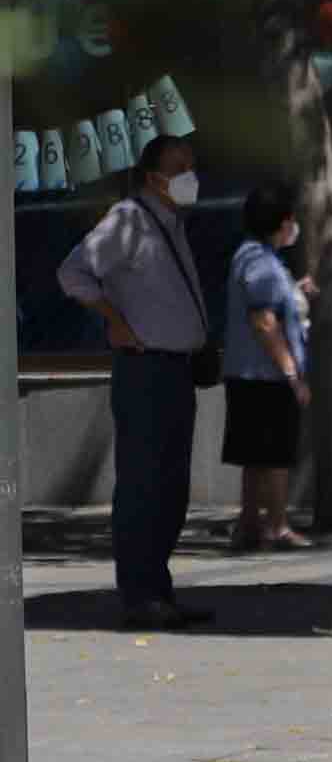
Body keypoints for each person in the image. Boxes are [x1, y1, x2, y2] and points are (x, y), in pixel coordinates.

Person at [55, 132, 217, 626]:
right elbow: (73, 273)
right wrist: (114, 319)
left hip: (175, 370)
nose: (190, 175)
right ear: (153, 177)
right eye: (180, 167)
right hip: (145, 370)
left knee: (171, 487)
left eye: (192, 164)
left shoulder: (170, 221)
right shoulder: (129, 219)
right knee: (144, 484)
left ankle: (158, 591)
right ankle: (139, 595)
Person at [221, 182, 310, 551]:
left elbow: (272, 303)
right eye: (292, 219)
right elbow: (264, 321)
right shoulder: (260, 262)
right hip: (265, 375)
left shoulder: (256, 258)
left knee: (254, 454)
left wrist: (298, 290)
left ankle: (249, 524)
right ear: (283, 222)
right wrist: (291, 373)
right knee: (274, 454)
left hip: (247, 373)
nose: (295, 226)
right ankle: (275, 525)